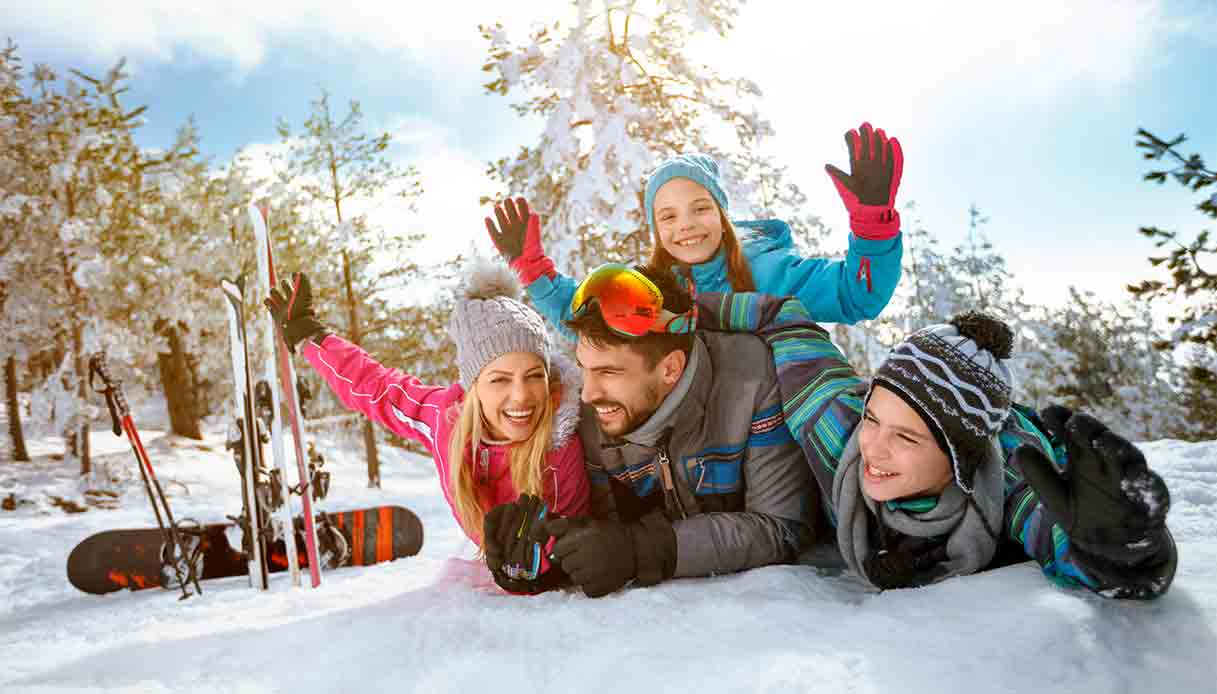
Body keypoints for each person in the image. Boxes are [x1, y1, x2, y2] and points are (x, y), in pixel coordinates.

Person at [694, 293, 1177, 598]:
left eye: (906, 437)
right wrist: (688, 307)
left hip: (1019, 437)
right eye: (874, 418)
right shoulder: (834, 423)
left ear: (960, 465)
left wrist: (1128, 548)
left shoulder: (1009, 479)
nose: (873, 449)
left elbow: (1077, 543)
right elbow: (786, 318)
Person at [264, 257, 590, 594]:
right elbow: (375, 386)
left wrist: (541, 568)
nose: (521, 396)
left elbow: (573, 541)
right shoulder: (444, 419)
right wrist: (309, 336)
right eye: (500, 380)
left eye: (534, 376)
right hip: (486, 567)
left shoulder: (561, 441)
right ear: (472, 387)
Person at [493, 263, 816, 598]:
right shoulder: (594, 416)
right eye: (584, 368)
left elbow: (783, 527)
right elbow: (604, 533)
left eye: (608, 372)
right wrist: (549, 560)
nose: (588, 393)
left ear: (670, 369)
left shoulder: (750, 381)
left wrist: (645, 549)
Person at [486, 122, 905, 339]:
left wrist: (872, 229)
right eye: (667, 216)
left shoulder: (769, 271)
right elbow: (582, 319)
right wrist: (535, 271)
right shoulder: (648, 287)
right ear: (656, 229)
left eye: (700, 209)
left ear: (722, 216)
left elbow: (856, 295)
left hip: (769, 445)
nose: (685, 225)